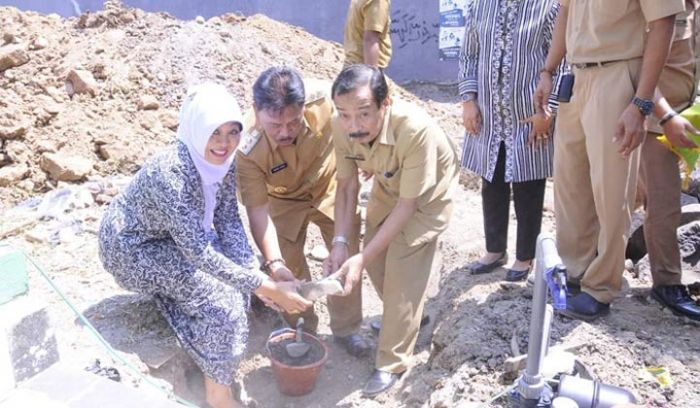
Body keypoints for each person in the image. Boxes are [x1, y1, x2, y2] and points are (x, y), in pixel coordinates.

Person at [98, 83, 311, 408]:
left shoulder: (224, 163)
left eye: (232, 132)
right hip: (131, 249)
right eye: (215, 133)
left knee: (239, 282)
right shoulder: (171, 173)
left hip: (174, 238)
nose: (224, 143)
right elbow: (197, 252)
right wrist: (263, 286)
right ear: (198, 129)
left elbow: (227, 221)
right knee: (222, 302)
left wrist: (257, 273)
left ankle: (217, 366)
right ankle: (219, 398)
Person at [533, 0, 683, 321]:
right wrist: (548, 70)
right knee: (570, 187)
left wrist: (641, 103)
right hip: (575, 76)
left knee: (612, 191)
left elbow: (663, 25)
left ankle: (600, 287)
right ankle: (575, 273)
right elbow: (565, 13)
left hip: (617, 73)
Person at [326, 64, 459, 396]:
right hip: (388, 185)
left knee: (400, 265)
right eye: (344, 114)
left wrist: (358, 257)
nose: (353, 126)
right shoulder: (341, 127)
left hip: (425, 198)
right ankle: (411, 319)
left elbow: (408, 206)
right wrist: (341, 244)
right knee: (372, 257)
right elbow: (345, 187)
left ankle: (392, 361)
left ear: (386, 104)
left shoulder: (415, 130)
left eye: (363, 114)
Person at [235, 67, 368, 356]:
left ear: (304, 106)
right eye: (275, 125)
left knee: (344, 258)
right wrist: (274, 264)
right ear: (256, 110)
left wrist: (366, 157)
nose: (285, 132)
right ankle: (303, 329)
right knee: (288, 269)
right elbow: (258, 212)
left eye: (293, 123)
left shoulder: (326, 102)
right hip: (282, 200)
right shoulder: (245, 149)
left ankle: (347, 329)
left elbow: (361, 124)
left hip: (328, 185)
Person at [459, 0, 561, 282]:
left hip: (530, 116)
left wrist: (548, 110)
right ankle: (494, 251)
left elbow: (561, 60)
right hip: (489, 115)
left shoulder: (548, 7)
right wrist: (468, 100)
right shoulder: (480, 5)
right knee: (491, 180)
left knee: (529, 184)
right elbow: (469, 54)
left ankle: (524, 256)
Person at [638, 0, 700, 321]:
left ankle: (593, 258)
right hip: (654, 122)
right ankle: (667, 284)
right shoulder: (658, 8)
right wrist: (666, 117)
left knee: (634, 197)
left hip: (683, 121)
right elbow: (639, 66)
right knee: (663, 204)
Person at [343, 0, 392, 68]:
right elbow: (370, 39)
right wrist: (370, 74)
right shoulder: (377, 2)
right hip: (362, 69)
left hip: (352, 66)